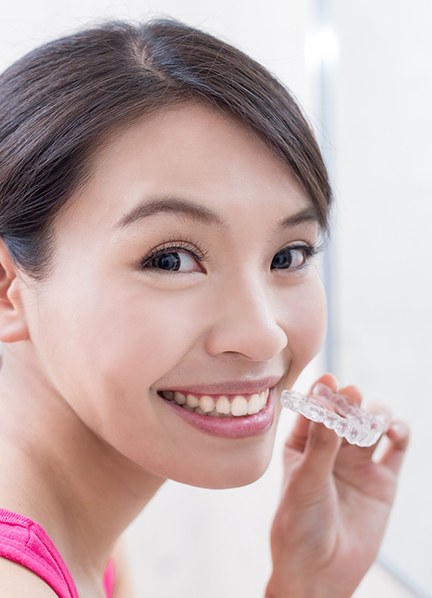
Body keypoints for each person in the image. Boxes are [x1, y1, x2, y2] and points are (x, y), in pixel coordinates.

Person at [0, 17, 409, 598]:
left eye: (289, 255)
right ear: (6, 287)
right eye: (171, 260)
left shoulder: (87, 539)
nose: (264, 335)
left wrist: (305, 587)